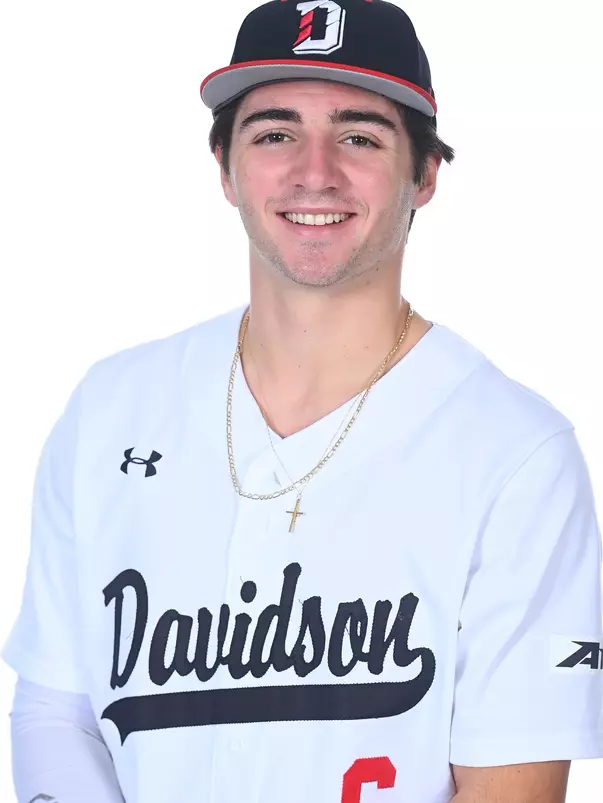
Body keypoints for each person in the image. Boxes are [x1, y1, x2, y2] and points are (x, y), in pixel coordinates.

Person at [3, 1, 603, 801]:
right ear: (225, 168)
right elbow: (58, 707)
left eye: (359, 137)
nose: (313, 172)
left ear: (424, 173)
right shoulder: (108, 410)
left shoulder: (515, 453)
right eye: (274, 134)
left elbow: (512, 782)